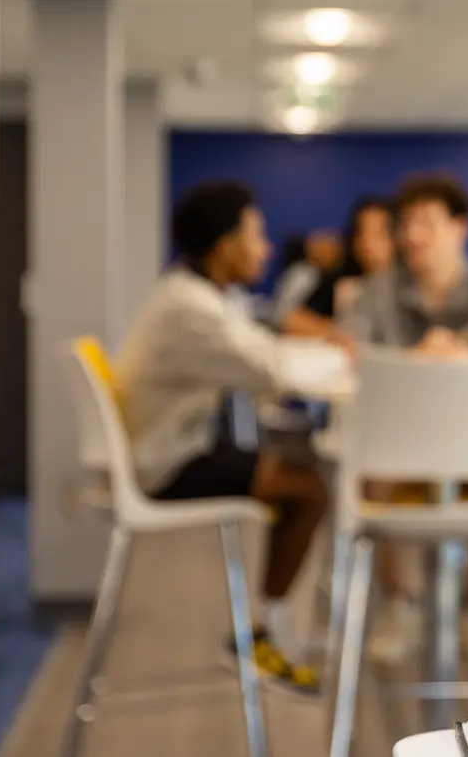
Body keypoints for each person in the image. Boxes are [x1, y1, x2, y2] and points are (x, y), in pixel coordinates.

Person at [113, 180, 336, 697]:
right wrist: (339, 352)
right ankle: (265, 635)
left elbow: (261, 354)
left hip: (170, 446)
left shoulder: (191, 295)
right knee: (309, 489)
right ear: (224, 245)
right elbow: (272, 368)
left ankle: (270, 628)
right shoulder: (193, 310)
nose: (267, 248)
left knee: (296, 474)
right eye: (255, 235)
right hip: (168, 462)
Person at [343, 172, 468, 672]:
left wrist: (457, 354)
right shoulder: (379, 291)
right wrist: (419, 356)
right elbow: (348, 348)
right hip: (400, 457)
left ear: (461, 228)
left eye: (426, 223)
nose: (412, 235)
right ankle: (401, 603)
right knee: (373, 482)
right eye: (406, 223)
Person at [284, 195, 396, 343]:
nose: (367, 243)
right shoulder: (343, 276)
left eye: (379, 234)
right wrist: (338, 333)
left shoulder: (407, 284)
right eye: (361, 233)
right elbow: (292, 320)